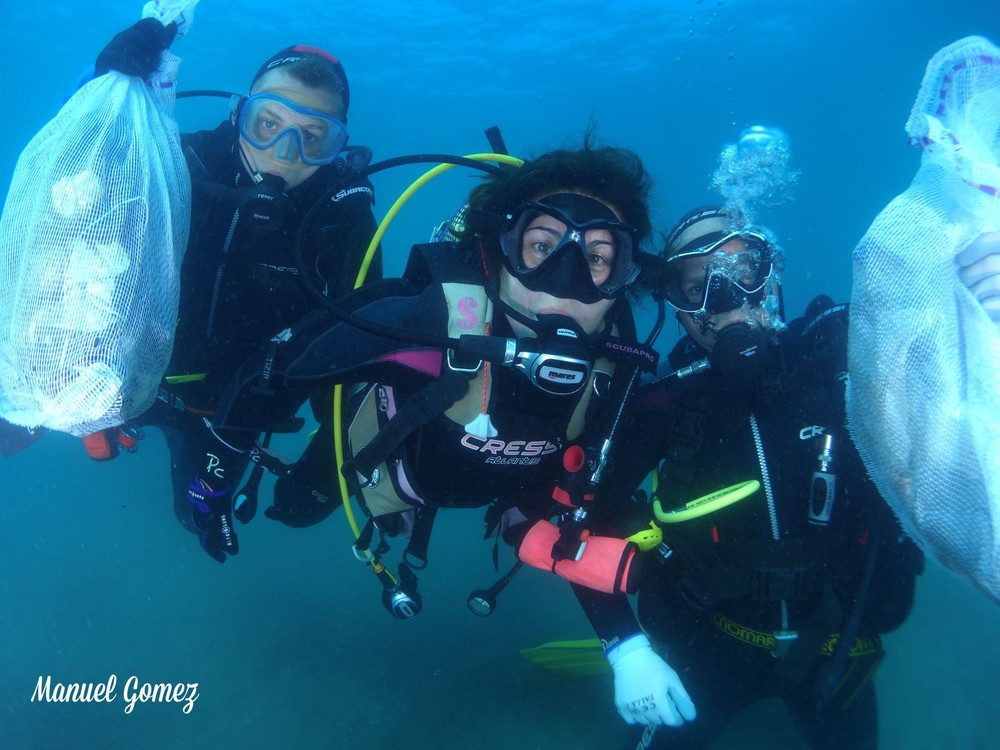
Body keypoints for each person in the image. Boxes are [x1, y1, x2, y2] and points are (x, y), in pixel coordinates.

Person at [202, 142, 660, 614]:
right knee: (295, 508)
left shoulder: (621, 366)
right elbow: (277, 368)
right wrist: (214, 477)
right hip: (392, 453)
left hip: (512, 487)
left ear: (626, 275)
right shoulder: (423, 321)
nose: (565, 283)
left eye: (598, 259)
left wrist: (622, 641)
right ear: (502, 248)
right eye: (542, 246)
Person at [573, 205, 924, 748]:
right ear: (678, 309)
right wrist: (627, 650)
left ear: (771, 274)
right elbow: (583, 522)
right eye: (697, 285)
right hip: (712, 644)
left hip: (837, 643)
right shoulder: (663, 403)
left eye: (741, 270)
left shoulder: (840, 367)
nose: (724, 299)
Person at [86, 17, 381, 562]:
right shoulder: (179, 164)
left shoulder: (344, 223)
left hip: (227, 419)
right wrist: (101, 89)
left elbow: (359, 361)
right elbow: (75, 191)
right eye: (268, 123)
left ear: (336, 147)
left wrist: (327, 466)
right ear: (238, 114)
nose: (283, 153)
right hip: (124, 375)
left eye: (312, 137)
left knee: (192, 516)